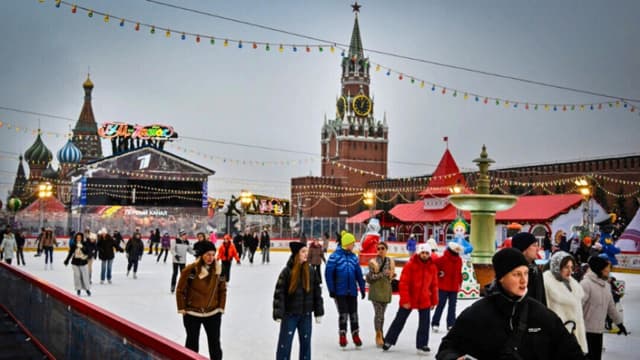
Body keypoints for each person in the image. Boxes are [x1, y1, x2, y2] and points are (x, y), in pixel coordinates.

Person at [436, 248, 585, 360]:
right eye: (516, 274)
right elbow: (447, 348)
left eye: (525, 273)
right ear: (501, 278)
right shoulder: (478, 312)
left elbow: (571, 352)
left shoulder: (540, 313)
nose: (523, 280)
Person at [382, 243, 438, 354]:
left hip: (424, 298)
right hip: (410, 297)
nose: (425, 255)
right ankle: (389, 340)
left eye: (427, 253)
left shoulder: (432, 267)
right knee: (400, 319)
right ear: (419, 253)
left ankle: (422, 344)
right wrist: (405, 300)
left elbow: (434, 285)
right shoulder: (410, 265)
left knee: (425, 322)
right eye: (423, 252)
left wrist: (434, 301)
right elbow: (404, 284)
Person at [273, 241, 324, 360]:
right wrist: (278, 313)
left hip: (306, 315)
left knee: (306, 345)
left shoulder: (311, 271)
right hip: (290, 315)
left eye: (307, 251)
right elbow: (279, 293)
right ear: (296, 254)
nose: (307, 254)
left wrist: (319, 311)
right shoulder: (287, 272)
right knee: (285, 345)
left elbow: (317, 293)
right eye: (303, 252)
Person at [176, 241, 226, 360]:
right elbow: (180, 290)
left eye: (213, 254)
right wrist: (182, 308)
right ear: (201, 255)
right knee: (192, 344)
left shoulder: (219, 270)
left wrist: (221, 308)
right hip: (192, 312)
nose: (211, 258)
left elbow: (222, 290)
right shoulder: (191, 270)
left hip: (213, 313)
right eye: (208, 254)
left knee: (215, 345)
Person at [581, 256, 628, 360]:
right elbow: (578, 307)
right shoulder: (586, 284)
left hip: (598, 331)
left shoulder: (606, 286)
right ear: (599, 270)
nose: (608, 274)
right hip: (585, 331)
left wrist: (619, 323)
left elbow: (611, 307)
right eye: (606, 271)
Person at [324, 231, 366, 348]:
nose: (354, 245)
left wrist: (362, 287)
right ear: (347, 244)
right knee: (343, 314)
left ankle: (355, 334)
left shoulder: (354, 257)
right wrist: (331, 290)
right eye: (352, 243)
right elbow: (328, 274)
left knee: (354, 313)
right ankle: (342, 335)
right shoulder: (335, 257)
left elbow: (358, 274)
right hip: (340, 291)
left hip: (352, 291)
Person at [543, 251, 588, 354]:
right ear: (557, 266)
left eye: (571, 267)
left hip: (574, 336)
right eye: (566, 267)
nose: (570, 271)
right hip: (558, 338)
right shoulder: (547, 283)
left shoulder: (572, 284)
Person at [365, 241, 395, 347]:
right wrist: (382, 274)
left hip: (385, 290)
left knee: (382, 315)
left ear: (386, 249)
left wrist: (392, 275)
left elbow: (391, 276)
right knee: (379, 314)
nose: (380, 250)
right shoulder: (373, 262)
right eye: (378, 249)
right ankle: (378, 335)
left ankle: (380, 333)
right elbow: (371, 277)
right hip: (376, 290)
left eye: (382, 248)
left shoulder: (390, 261)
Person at [431, 242, 463, 333]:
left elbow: (459, 273)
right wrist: (438, 274)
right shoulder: (443, 259)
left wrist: (460, 283)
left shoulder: (459, 260)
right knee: (440, 305)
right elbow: (433, 266)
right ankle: (435, 323)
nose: (457, 251)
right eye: (456, 249)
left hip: (454, 287)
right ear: (451, 249)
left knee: (452, 306)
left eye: (458, 250)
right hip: (443, 287)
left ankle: (451, 324)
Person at [511, 232, 546, 305]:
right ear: (524, 249)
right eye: (534, 245)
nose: (538, 249)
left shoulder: (536, 270)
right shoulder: (512, 272)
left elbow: (542, 298)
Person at [63, 232, 92, 297]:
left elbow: (87, 252)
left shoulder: (85, 244)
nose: (78, 239)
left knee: (84, 276)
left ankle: (87, 289)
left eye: (80, 238)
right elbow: (70, 253)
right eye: (77, 238)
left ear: (82, 238)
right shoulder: (74, 245)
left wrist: (82, 247)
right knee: (77, 276)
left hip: (83, 262)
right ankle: (78, 289)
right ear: (76, 238)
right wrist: (67, 260)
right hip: (75, 263)